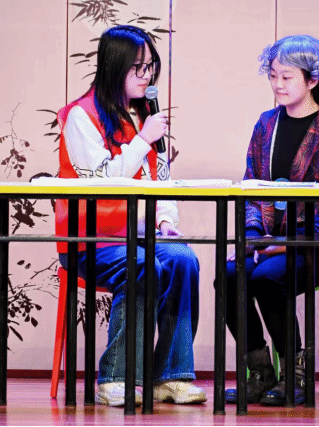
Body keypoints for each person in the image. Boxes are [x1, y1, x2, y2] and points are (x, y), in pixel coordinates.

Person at [55, 25, 206, 407]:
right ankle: (115, 377)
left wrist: (166, 222)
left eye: (150, 66)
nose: (146, 75)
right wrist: (142, 140)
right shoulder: (81, 116)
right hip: (91, 239)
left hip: (138, 234)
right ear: (114, 66)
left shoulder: (142, 117)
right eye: (138, 67)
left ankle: (170, 376)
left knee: (183, 260)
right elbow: (100, 181)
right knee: (142, 265)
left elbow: (161, 179)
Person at [225, 34, 319, 406]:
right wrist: (253, 236)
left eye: (286, 77)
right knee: (230, 275)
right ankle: (260, 372)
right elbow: (252, 188)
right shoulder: (266, 125)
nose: (277, 84)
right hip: (273, 241)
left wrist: (281, 246)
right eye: (273, 76)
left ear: (313, 79)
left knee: (269, 278)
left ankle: (297, 374)